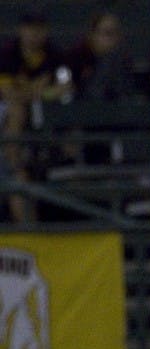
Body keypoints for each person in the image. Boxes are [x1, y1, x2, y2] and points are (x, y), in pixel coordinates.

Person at [0, 10, 72, 222]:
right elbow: (8, 93)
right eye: (30, 29)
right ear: (21, 30)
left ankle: (66, 157)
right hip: (4, 111)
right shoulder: (7, 54)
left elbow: (65, 88)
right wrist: (38, 90)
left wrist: (36, 92)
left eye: (39, 29)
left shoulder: (55, 54)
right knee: (17, 108)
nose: (34, 34)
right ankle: (12, 158)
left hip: (43, 114)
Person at [63, 9, 135, 102]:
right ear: (92, 34)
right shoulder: (76, 55)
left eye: (115, 33)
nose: (112, 39)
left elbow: (125, 93)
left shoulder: (122, 59)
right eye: (107, 33)